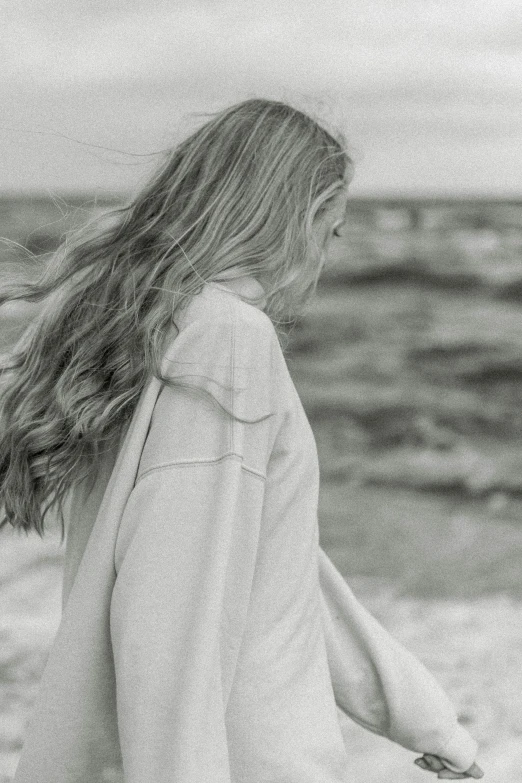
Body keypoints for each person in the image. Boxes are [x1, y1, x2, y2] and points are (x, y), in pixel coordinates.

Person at [0, 98, 484, 783]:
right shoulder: (227, 340)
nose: (324, 258)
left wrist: (425, 719)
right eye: (332, 231)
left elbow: (287, 578)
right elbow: (171, 622)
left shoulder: (156, 332)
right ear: (291, 220)